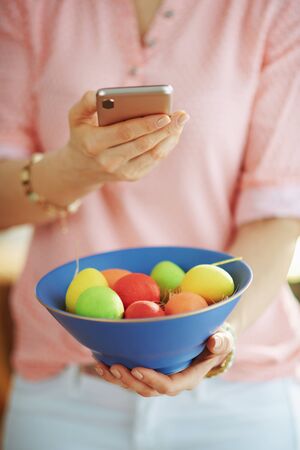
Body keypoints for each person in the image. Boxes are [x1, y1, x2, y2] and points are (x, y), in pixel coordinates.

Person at [0, 0, 300, 449]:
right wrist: (76, 168)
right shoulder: (27, 9)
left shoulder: (275, 11)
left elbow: (277, 209)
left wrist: (222, 334)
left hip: (239, 394)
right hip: (65, 389)